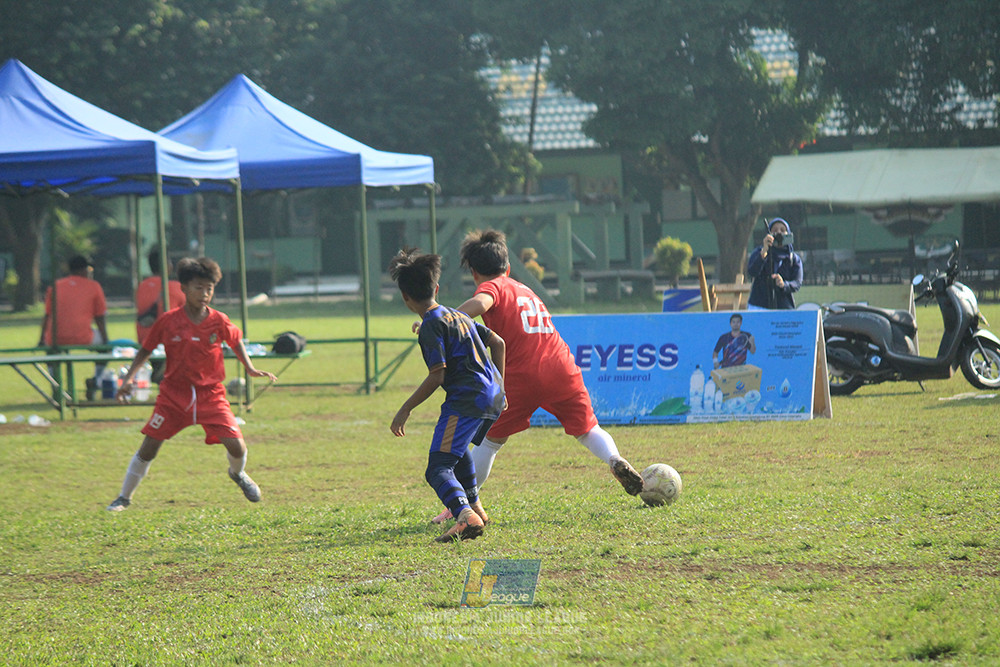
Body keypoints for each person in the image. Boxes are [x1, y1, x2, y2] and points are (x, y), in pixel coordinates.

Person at [430, 229, 644, 525]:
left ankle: (463, 504)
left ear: (474, 273)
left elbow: (481, 304)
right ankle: (614, 459)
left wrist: (444, 320)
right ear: (508, 267)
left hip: (521, 375)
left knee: (490, 442)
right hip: (561, 365)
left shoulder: (492, 287)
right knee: (588, 429)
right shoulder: (525, 289)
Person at [105, 257, 278, 512]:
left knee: (237, 446)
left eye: (209, 288)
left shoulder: (219, 320)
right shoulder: (168, 321)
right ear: (184, 288)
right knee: (149, 447)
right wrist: (129, 378)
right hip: (174, 396)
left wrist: (249, 368)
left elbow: (235, 340)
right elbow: (146, 349)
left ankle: (237, 474)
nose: (205, 293)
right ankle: (124, 497)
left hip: (211, 395)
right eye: (199, 287)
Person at [389, 249, 506, 542]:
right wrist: (501, 385)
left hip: (466, 400)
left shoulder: (432, 324)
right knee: (458, 449)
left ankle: (465, 516)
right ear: (436, 288)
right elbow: (498, 342)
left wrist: (406, 408)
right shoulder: (458, 315)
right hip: (492, 395)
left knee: (438, 467)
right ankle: (475, 506)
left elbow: (437, 376)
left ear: (405, 297)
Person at [38, 255, 110, 399]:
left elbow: (48, 315)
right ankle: (96, 380)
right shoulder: (94, 286)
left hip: (55, 338)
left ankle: (55, 386)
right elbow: (99, 317)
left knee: (51, 353)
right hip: (83, 337)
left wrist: (41, 339)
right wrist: (106, 340)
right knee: (106, 349)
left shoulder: (55, 286)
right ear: (85, 270)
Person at [135, 246, 186, 383]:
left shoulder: (142, 286)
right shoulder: (175, 286)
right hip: (167, 339)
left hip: (144, 338)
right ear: (167, 264)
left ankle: (161, 371)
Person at [747, 218, 803, 309]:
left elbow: (797, 283)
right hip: (759, 306)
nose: (779, 233)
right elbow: (752, 272)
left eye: (782, 230)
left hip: (784, 308)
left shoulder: (793, 258)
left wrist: (783, 284)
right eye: (775, 230)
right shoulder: (759, 252)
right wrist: (764, 252)